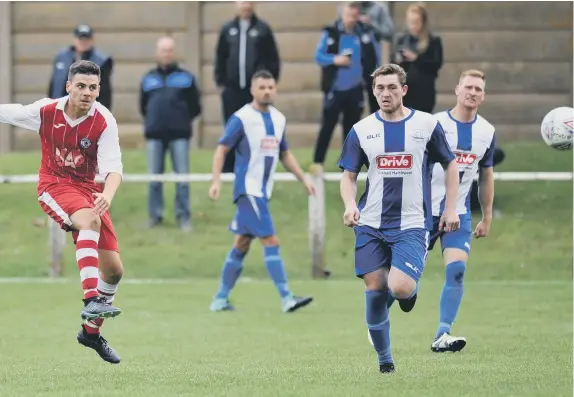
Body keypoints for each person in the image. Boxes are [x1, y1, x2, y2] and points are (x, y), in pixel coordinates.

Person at [338, 64, 460, 373]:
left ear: (403, 90)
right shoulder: (361, 129)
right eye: (379, 88)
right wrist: (350, 204)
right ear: (373, 91)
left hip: (412, 223)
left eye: (392, 87)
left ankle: (410, 291)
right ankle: (385, 362)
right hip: (370, 224)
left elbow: (450, 164)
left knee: (401, 288)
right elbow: (348, 175)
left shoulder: (426, 125)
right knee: (376, 289)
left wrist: (450, 208)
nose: (385, 93)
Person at [0, 60, 124, 364]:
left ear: (98, 90)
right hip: (54, 186)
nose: (86, 92)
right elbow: (7, 112)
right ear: (68, 86)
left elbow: (114, 169)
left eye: (92, 87)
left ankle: (90, 333)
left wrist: (107, 195)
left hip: (89, 191)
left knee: (114, 271)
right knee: (88, 220)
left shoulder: (104, 120)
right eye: (80, 86)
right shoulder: (45, 111)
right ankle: (91, 299)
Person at [208, 70, 315, 313]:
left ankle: (220, 299)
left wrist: (303, 179)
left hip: (262, 192)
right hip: (248, 190)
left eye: (270, 87)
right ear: (253, 91)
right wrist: (216, 181)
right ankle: (287, 297)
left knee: (242, 244)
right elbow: (222, 149)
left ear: (275, 89)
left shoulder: (278, 119)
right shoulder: (242, 118)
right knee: (271, 240)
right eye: (262, 87)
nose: (267, 91)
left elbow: (284, 154)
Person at [428, 70, 496, 353]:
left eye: (478, 89)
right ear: (456, 90)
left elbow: (487, 175)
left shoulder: (487, 132)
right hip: (423, 211)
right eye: (468, 87)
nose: (473, 92)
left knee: (456, 271)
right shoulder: (434, 124)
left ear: (483, 95)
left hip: (459, 214)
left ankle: (442, 335)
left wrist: (487, 216)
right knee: (402, 285)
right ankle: (378, 319)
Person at [139, 36, 202, 231]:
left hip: (179, 136)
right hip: (155, 136)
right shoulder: (148, 79)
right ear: (157, 53)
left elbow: (195, 107)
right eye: (163, 50)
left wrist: (180, 121)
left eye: (169, 50)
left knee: (182, 178)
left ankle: (183, 216)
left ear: (173, 53)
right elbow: (143, 106)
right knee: (154, 179)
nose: (166, 53)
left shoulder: (187, 78)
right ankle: (155, 216)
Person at [214, 1, 281, 173]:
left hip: (255, 92)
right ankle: (229, 168)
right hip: (232, 89)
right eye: (243, 2)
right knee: (232, 127)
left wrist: (267, 85)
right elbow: (220, 57)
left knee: (256, 129)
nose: (246, 5)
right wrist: (222, 81)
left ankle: (256, 166)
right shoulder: (227, 29)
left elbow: (273, 59)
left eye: (250, 2)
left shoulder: (263, 29)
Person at [313, 1, 380, 169]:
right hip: (335, 89)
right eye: (350, 10)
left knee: (351, 130)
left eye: (356, 11)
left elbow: (375, 57)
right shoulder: (331, 32)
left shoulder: (365, 32)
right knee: (327, 126)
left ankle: (348, 165)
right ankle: (318, 162)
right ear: (342, 11)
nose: (353, 14)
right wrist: (335, 60)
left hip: (356, 88)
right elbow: (318, 56)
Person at [48, 24, 113, 110]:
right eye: (81, 39)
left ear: (92, 40)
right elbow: (54, 85)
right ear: (74, 40)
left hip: (87, 111)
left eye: (87, 39)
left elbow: (105, 93)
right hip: (61, 108)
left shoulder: (101, 61)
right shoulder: (62, 57)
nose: (83, 42)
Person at [393, 3, 443, 113]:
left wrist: (416, 58)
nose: (413, 26)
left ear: (423, 22)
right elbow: (393, 65)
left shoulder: (433, 41)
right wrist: (398, 61)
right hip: (406, 92)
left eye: (416, 22)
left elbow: (436, 64)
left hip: (424, 93)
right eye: (410, 23)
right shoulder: (402, 40)